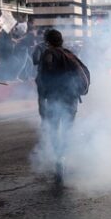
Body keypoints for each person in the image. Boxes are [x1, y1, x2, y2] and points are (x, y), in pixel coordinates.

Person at [37, 29, 87, 182]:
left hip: (55, 98)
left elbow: (43, 78)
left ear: (47, 40)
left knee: (53, 129)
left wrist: (41, 101)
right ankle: (62, 158)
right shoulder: (69, 54)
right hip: (71, 99)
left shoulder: (48, 54)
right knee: (66, 130)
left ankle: (59, 159)